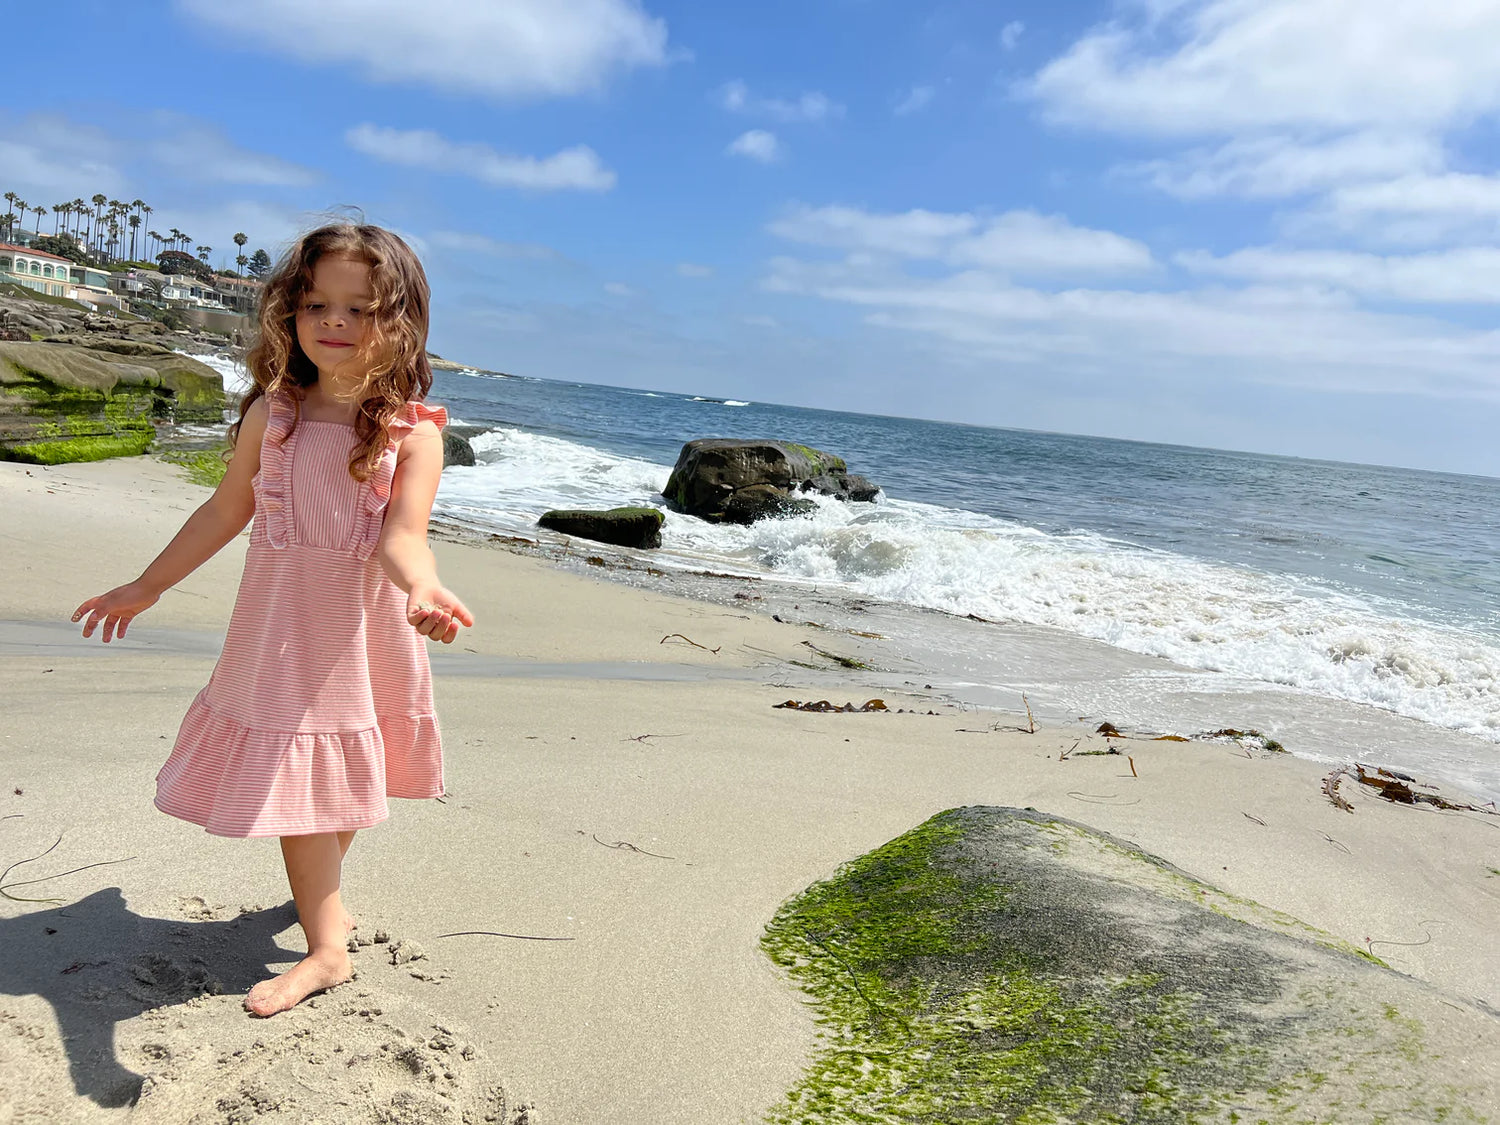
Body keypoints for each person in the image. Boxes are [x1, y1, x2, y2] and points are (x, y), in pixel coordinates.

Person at [72, 223, 473, 1017]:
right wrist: (147, 584)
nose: (336, 322)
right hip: (281, 631)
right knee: (313, 789)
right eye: (318, 303)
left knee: (321, 790)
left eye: (361, 309)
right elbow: (224, 510)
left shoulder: (413, 434)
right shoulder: (275, 414)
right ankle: (326, 912)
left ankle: (327, 951)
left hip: (356, 634)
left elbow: (403, 540)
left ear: (402, 322)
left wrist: (425, 592)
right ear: (289, 312)